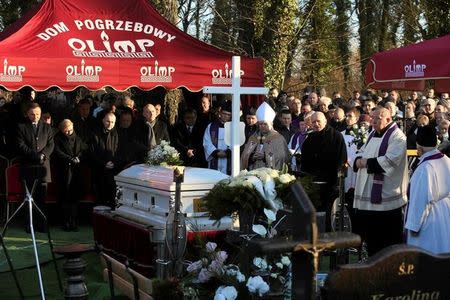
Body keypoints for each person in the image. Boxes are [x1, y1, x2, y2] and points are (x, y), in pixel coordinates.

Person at [353, 107, 408, 256]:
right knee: (373, 243)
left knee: (388, 244)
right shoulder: (372, 134)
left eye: (377, 118)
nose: (372, 121)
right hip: (369, 200)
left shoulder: (398, 137)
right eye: (372, 118)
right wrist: (359, 160)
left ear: (388, 119)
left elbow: (387, 162)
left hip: (386, 200)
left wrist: (363, 163)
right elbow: (360, 153)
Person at [405, 125, 450, 254]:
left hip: (430, 220)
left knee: (428, 258)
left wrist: (413, 226)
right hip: (445, 215)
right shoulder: (446, 160)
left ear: (418, 147)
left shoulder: (425, 168)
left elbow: (420, 200)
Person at [301, 112, 347, 229]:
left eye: (318, 121)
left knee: (328, 218)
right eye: (313, 122)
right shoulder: (309, 138)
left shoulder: (336, 136)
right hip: (313, 185)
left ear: (325, 121)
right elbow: (305, 163)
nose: (316, 124)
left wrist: (337, 182)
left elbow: (341, 160)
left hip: (330, 185)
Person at [16, 102, 54, 232]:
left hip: (43, 168)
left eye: (37, 114)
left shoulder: (47, 127)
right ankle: (29, 224)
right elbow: (20, 145)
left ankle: (41, 224)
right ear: (27, 114)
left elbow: (51, 144)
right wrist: (35, 155)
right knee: (28, 197)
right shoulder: (21, 127)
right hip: (28, 167)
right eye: (32, 114)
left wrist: (42, 155)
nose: (35, 116)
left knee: (41, 198)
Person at [53, 119, 88, 231]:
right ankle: (65, 221)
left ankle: (74, 221)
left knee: (74, 197)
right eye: (66, 131)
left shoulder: (78, 137)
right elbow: (58, 152)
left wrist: (78, 158)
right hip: (64, 171)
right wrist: (70, 159)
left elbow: (84, 149)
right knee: (65, 197)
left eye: (70, 130)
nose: (68, 133)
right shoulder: (58, 138)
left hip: (76, 171)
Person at [241, 102, 290, 171]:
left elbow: (283, 157)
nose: (262, 126)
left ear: (271, 124)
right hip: (253, 171)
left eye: (265, 124)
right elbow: (244, 155)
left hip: (269, 174)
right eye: (260, 124)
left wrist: (265, 156)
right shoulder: (254, 137)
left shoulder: (278, 138)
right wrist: (252, 157)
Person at [203, 100, 232, 175]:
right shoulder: (211, 126)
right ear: (220, 113)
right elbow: (206, 142)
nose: (226, 116)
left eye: (228, 115)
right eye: (224, 114)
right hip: (215, 158)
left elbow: (237, 142)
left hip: (228, 159)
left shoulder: (234, 128)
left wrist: (228, 152)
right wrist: (215, 152)